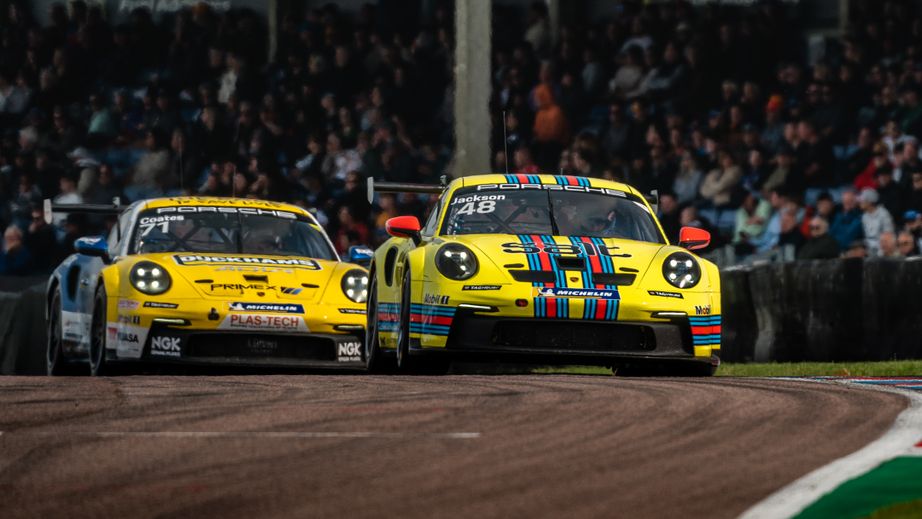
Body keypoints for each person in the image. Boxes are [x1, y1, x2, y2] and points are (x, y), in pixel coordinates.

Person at [858, 188, 895, 256]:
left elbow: (889, 235)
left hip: (883, 246)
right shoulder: (864, 217)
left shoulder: (884, 214)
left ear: (870, 202)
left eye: (862, 200)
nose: (860, 202)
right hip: (869, 247)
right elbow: (866, 236)